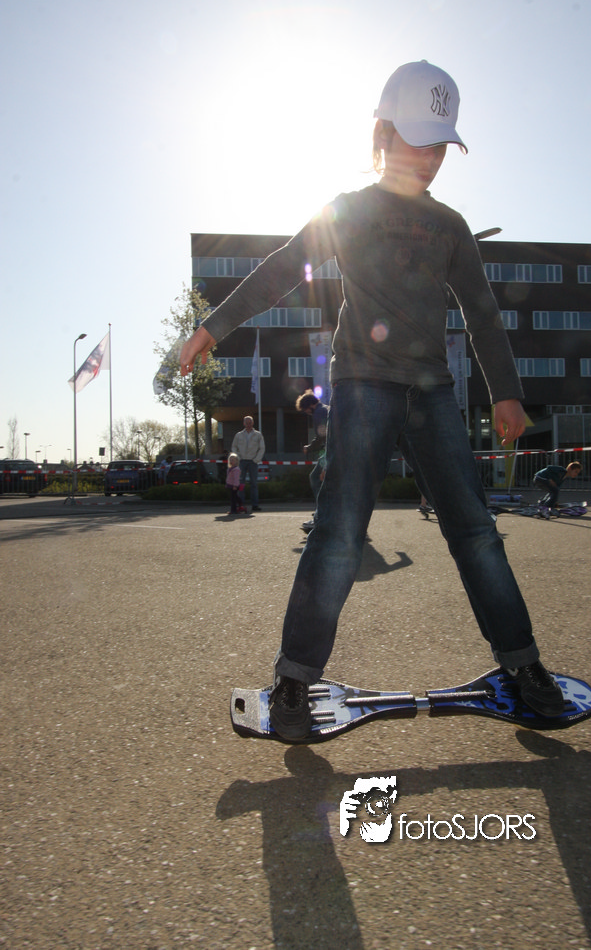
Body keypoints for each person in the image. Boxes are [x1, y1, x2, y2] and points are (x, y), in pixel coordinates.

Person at [180, 59, 566, 739]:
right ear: (382, 133)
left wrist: (506, 394)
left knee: (475, 530)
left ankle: (522, 663)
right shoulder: (350, 210)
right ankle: (294, 679)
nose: (429, 158)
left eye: (439, 145)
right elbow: (282, 268)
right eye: (417, 141)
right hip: (362, 386)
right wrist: (215, 326)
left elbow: (481, 313)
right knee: (339, 530)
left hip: (433, 394)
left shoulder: (451, 226)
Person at [296, 389, 329, 531]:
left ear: (309, 406)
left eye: (305, 410)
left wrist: (309, 448)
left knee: (315, 477)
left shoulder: (319, 413)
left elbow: (322, 435)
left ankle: (321, 515)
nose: (307, 413)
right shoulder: (327, 408)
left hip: (333, 451)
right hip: (341, 450)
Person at [231, 416, 265, 511]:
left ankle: (255, 505)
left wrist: (256, 459)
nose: (248, 424)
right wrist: (238, 458)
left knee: (254, 483)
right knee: (240, 483)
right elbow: (234, 447)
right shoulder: (238, 435)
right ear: (244, 423)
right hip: (241, 461)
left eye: (250, 423)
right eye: (247, 423)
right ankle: (240, 505)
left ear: (252, 423)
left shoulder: (258, 435)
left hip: (253, 462)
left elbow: (262, 448)